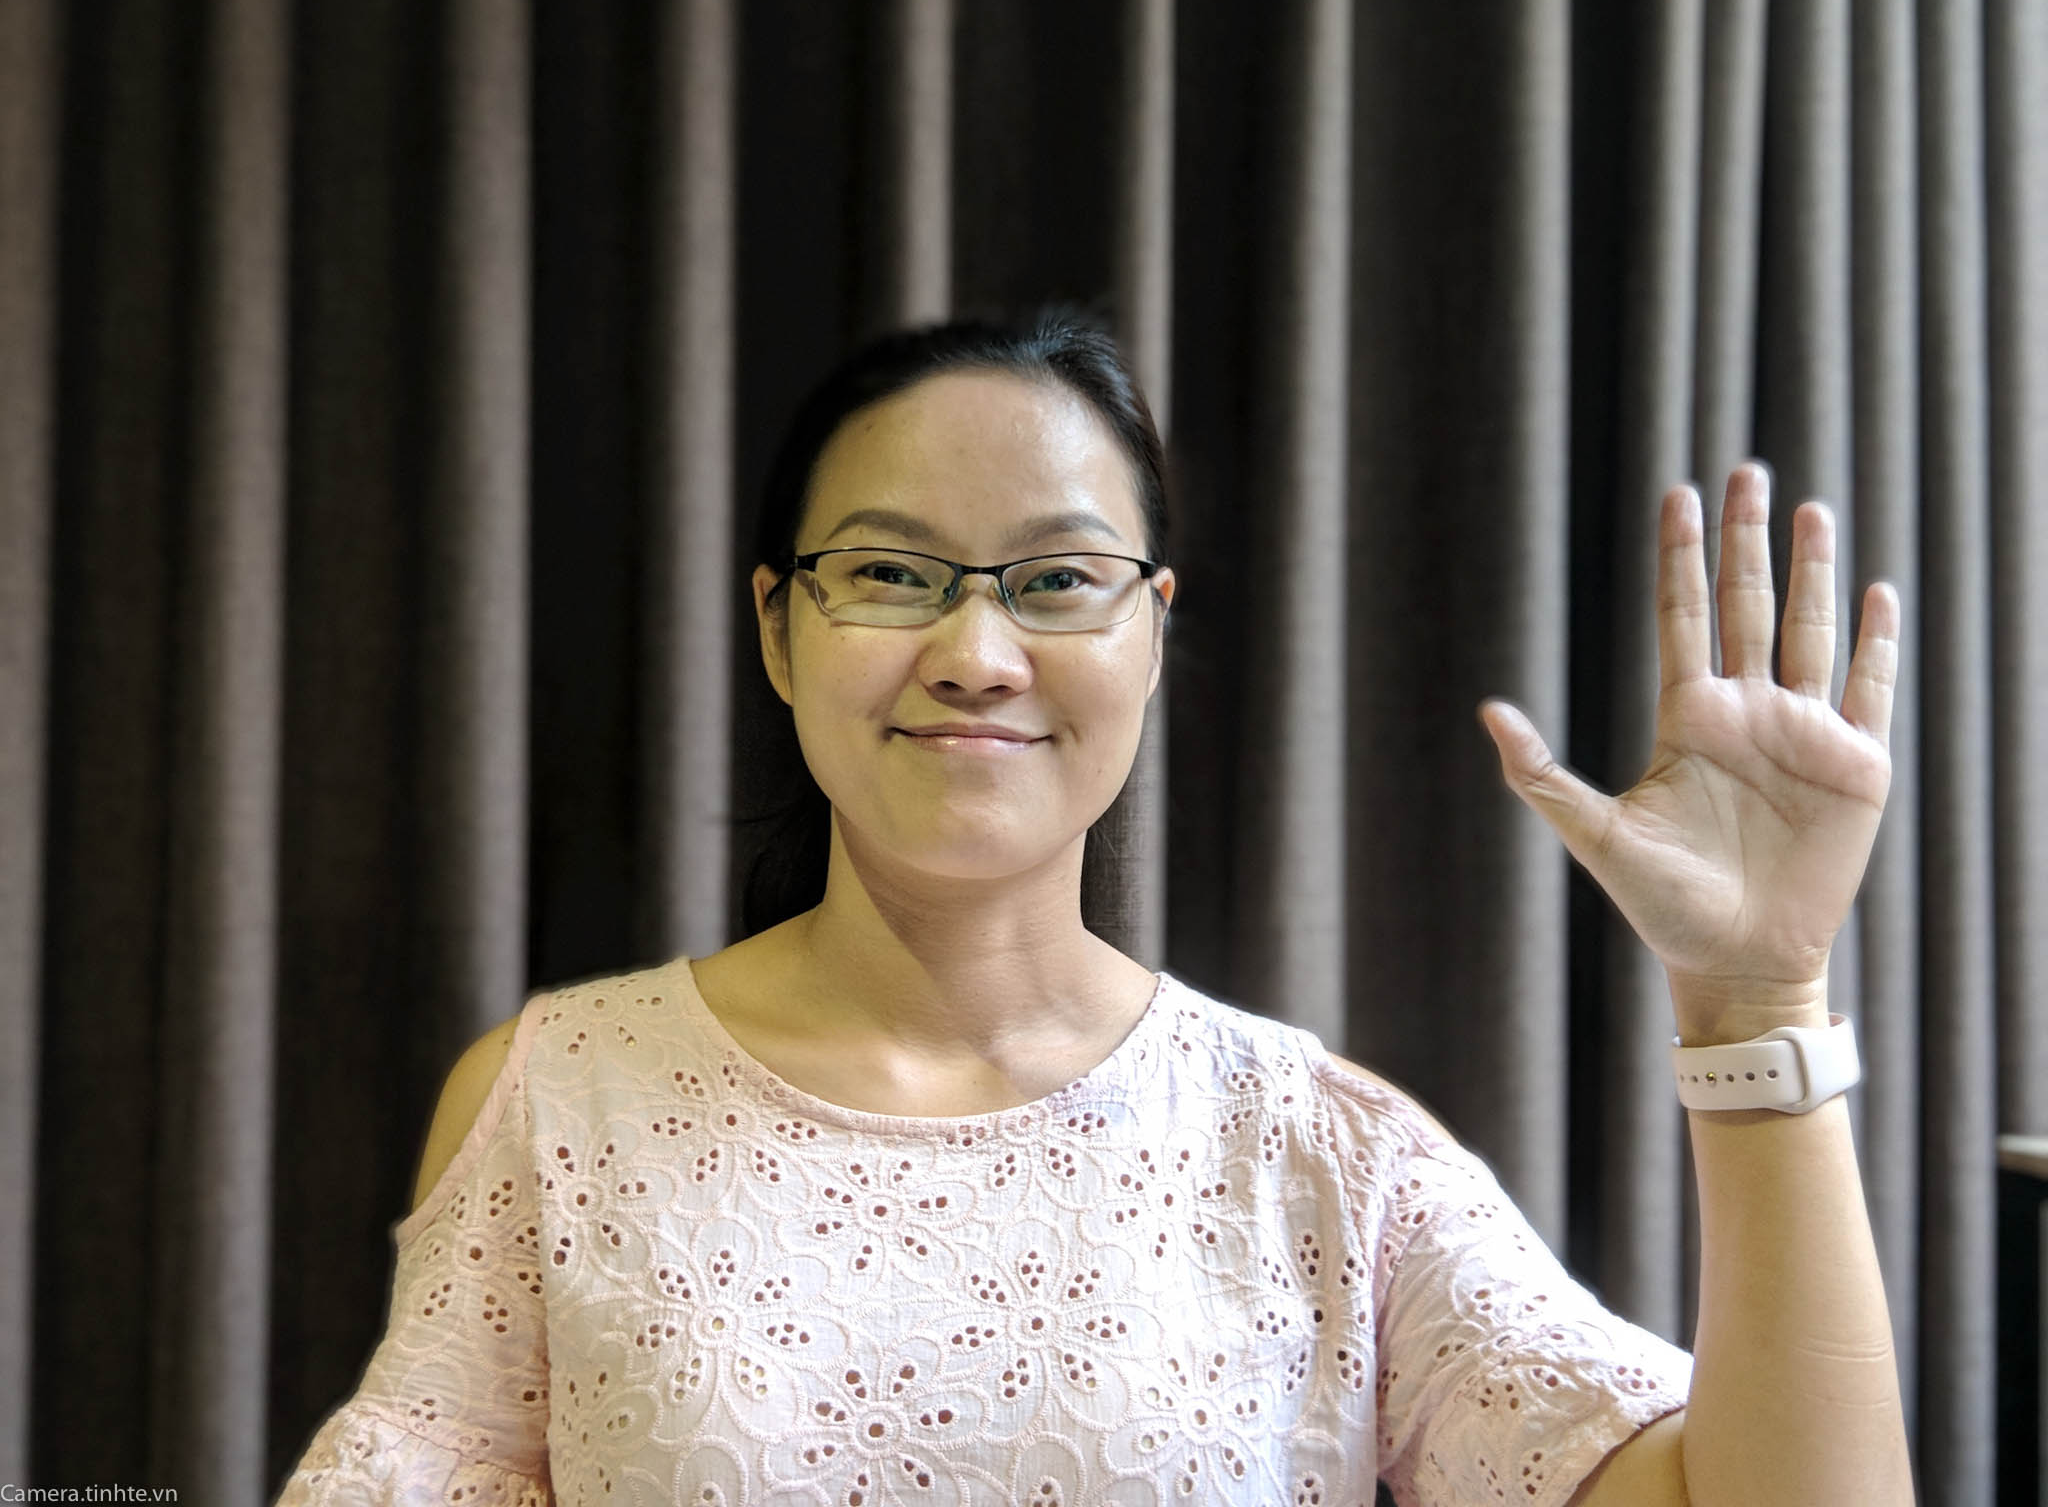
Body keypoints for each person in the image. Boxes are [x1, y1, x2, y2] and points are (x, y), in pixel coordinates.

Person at [276, 311, 1914, 1506]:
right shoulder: (558, 1102)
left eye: (1057, 581)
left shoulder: (1317, 1157)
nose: (977, 654)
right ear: (778, 630)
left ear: (1151, 633)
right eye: (891, 573)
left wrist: (1757, 1003)